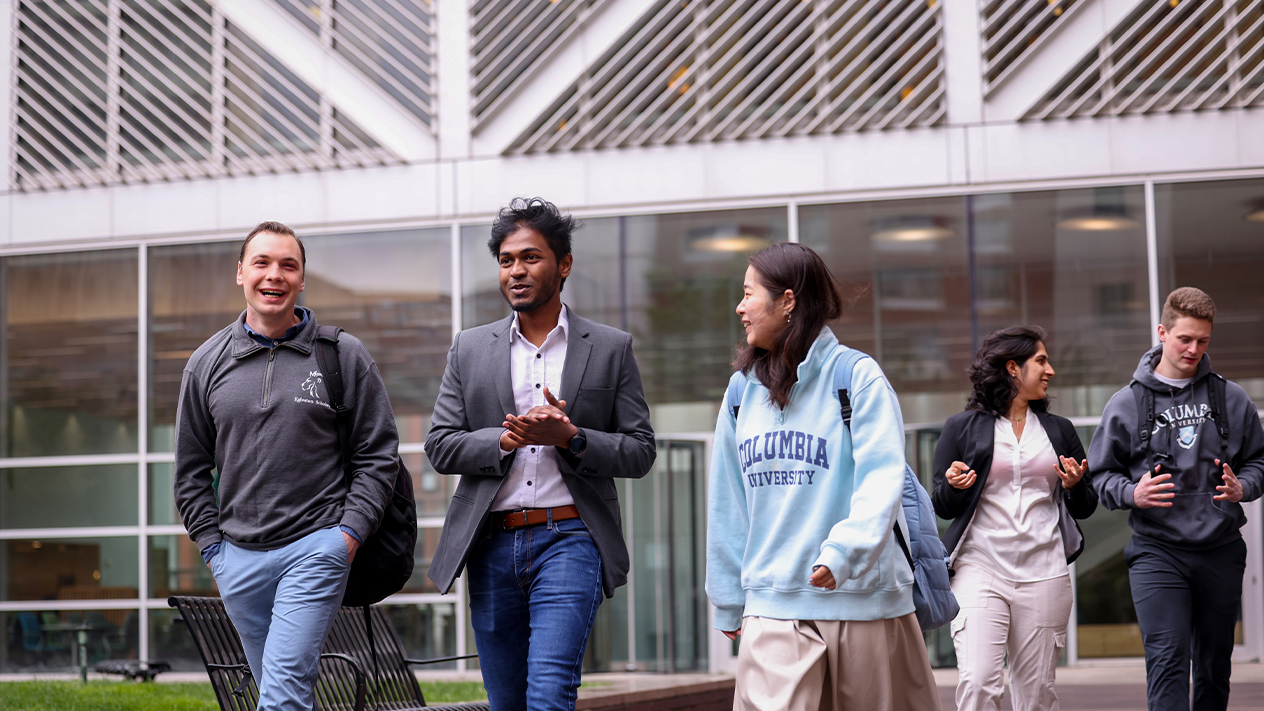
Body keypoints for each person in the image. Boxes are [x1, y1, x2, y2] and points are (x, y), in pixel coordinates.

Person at [424, 197, 656, 711]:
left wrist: (571, 438)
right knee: (506, 701)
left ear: (564, 264)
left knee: (550, 693)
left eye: (530, 257)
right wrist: (505, 440)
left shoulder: (611, 347)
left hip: (570, 538)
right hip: (490, 543)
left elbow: (640, 451)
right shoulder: (469, 348)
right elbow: (440, 445)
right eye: (506, 260)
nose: (516, 271)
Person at [174, 221, 399, 711]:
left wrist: (347, 536)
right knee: (285, 691)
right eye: (262, 263)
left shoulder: (342, 355)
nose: (274, 275)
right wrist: (214, 551)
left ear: (302, 279)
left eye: (287, 265)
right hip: (238, 560)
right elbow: (190, 470)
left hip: (316, 548)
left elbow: (378, 454)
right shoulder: (207, 363)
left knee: (280, 694)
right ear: (240, 273)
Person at [706, 242, 940, 711]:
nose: (740, 307)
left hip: (861, 601)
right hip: (772, 604)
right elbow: (727, 500)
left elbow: (882, 478)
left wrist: (843, 553)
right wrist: (730, 596)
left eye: (749, 293)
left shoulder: (856, 377)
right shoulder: (740, 393)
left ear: (788, 300)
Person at [1090, 287, 1264, 711]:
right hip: (1157, 552)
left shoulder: (1231, 398)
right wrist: (1133, 492)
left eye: (1203, 340)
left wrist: (1244, 487)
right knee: (1167, 662)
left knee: (1212, 666)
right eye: (1184, 339)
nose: (1193, 349)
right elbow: (1099, 475)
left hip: (1220, 550)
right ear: (1162, 332)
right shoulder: (1126, 404)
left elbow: (1258, 461)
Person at [931, 326, 1097, 711]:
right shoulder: (962, 427)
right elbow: (942, 504)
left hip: (1045, 573)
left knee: (1036, 694)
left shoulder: (1059, 431)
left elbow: (1085, 505)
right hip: (980, 568)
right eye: (1041, 361)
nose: (1050, 370)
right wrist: (955, 485)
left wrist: (1074, 485)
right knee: (977, 684)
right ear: (1012, 369)